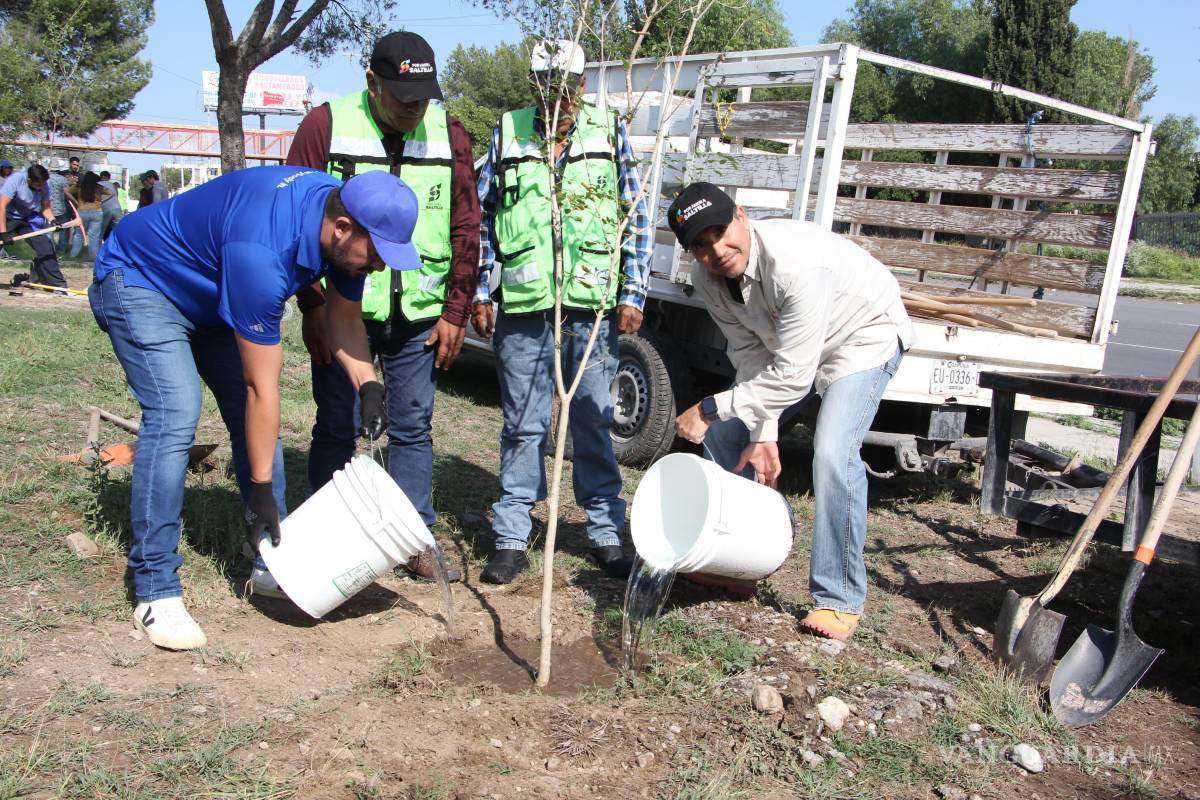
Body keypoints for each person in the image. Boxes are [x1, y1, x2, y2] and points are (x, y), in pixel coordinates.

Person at [89, 166, 419, 649]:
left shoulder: (339, 223)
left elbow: (343, 314)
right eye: (377, 254)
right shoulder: (263, 254)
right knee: (176, 412)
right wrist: (261, 489)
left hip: (214, 292)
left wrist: (368, 383)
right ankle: (155, 589)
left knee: (255, 429)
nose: (380, 267)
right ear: (342, 228)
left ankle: (271, 561)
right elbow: (261, 391)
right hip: (143, 279)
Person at [667, 183, 913, 642]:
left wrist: (709, 406)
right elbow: (749, 356)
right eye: (700, 245)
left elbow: (793, 379)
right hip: (791, 352)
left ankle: (838, 599)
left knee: (833, 452)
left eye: (721, 232)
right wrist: (761, 431)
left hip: (862, 337)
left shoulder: (796, 264)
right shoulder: (709, 281)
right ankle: (736, 564)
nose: (717, 250)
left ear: (742, 216)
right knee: (727, 440)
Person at [288, 31, 479, 583]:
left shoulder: (451, 134)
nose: (415, 110)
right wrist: (312, 307)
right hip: (341, 314)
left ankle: (413, 537)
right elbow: (299, 217)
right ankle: (325, 534)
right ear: (372, 82)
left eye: (423, 98)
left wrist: (455, 310)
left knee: (413, 428)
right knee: (336, 425)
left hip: (419, 317)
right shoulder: (325, 125)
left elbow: (467, 225)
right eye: (402, 98)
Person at [471, 39, 650, 584]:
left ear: (581, 87)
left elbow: (633, 211)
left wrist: (632, 292)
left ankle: (604, 532)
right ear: (534, 86)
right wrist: (482, 288)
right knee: (523, 427)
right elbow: (481, 214)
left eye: (565, 89)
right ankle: (510, 535)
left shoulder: (608, 130)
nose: (556, 101)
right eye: (545, 89)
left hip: (589, 307)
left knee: (594, 422)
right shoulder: (509, 130)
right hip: (525, 309)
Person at [0, 164, 70, 287]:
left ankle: (57, 284)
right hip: (6, 217)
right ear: (29, 180)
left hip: (27, 218)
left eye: (43, 184)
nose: (42, 187)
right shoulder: (15, 180)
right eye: (38, 185)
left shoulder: (44, 184)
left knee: (45, 246)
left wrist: (53, 220)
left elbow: (46, 208)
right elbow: (2, 207)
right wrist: (3, 232)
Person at [67, 171, 112, 259]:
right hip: (96, 212)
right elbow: (111, 193)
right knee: (94, 236)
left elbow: (66, 191)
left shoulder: (80, 186)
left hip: (82, 212)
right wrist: (102, 201)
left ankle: (73, 255)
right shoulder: (99, 187)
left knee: (79, 235)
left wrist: (75, 201)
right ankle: (93, 257)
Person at [48, 170, 72, 253]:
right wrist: (75, 202)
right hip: (61, 208)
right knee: (63, 229)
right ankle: (62, 249)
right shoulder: (63, 179)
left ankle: (51, 248)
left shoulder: (46, 178)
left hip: (48, 209)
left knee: (48, 230)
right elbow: (67, 193)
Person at [98, 170, 124, 240]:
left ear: (101, 177)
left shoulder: (98, 184)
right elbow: (117, 196)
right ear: (109, 178)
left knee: (100, 232)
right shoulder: (113, 185)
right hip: (117, 209)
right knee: (118, 231)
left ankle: (99, 249)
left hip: (105, 209)